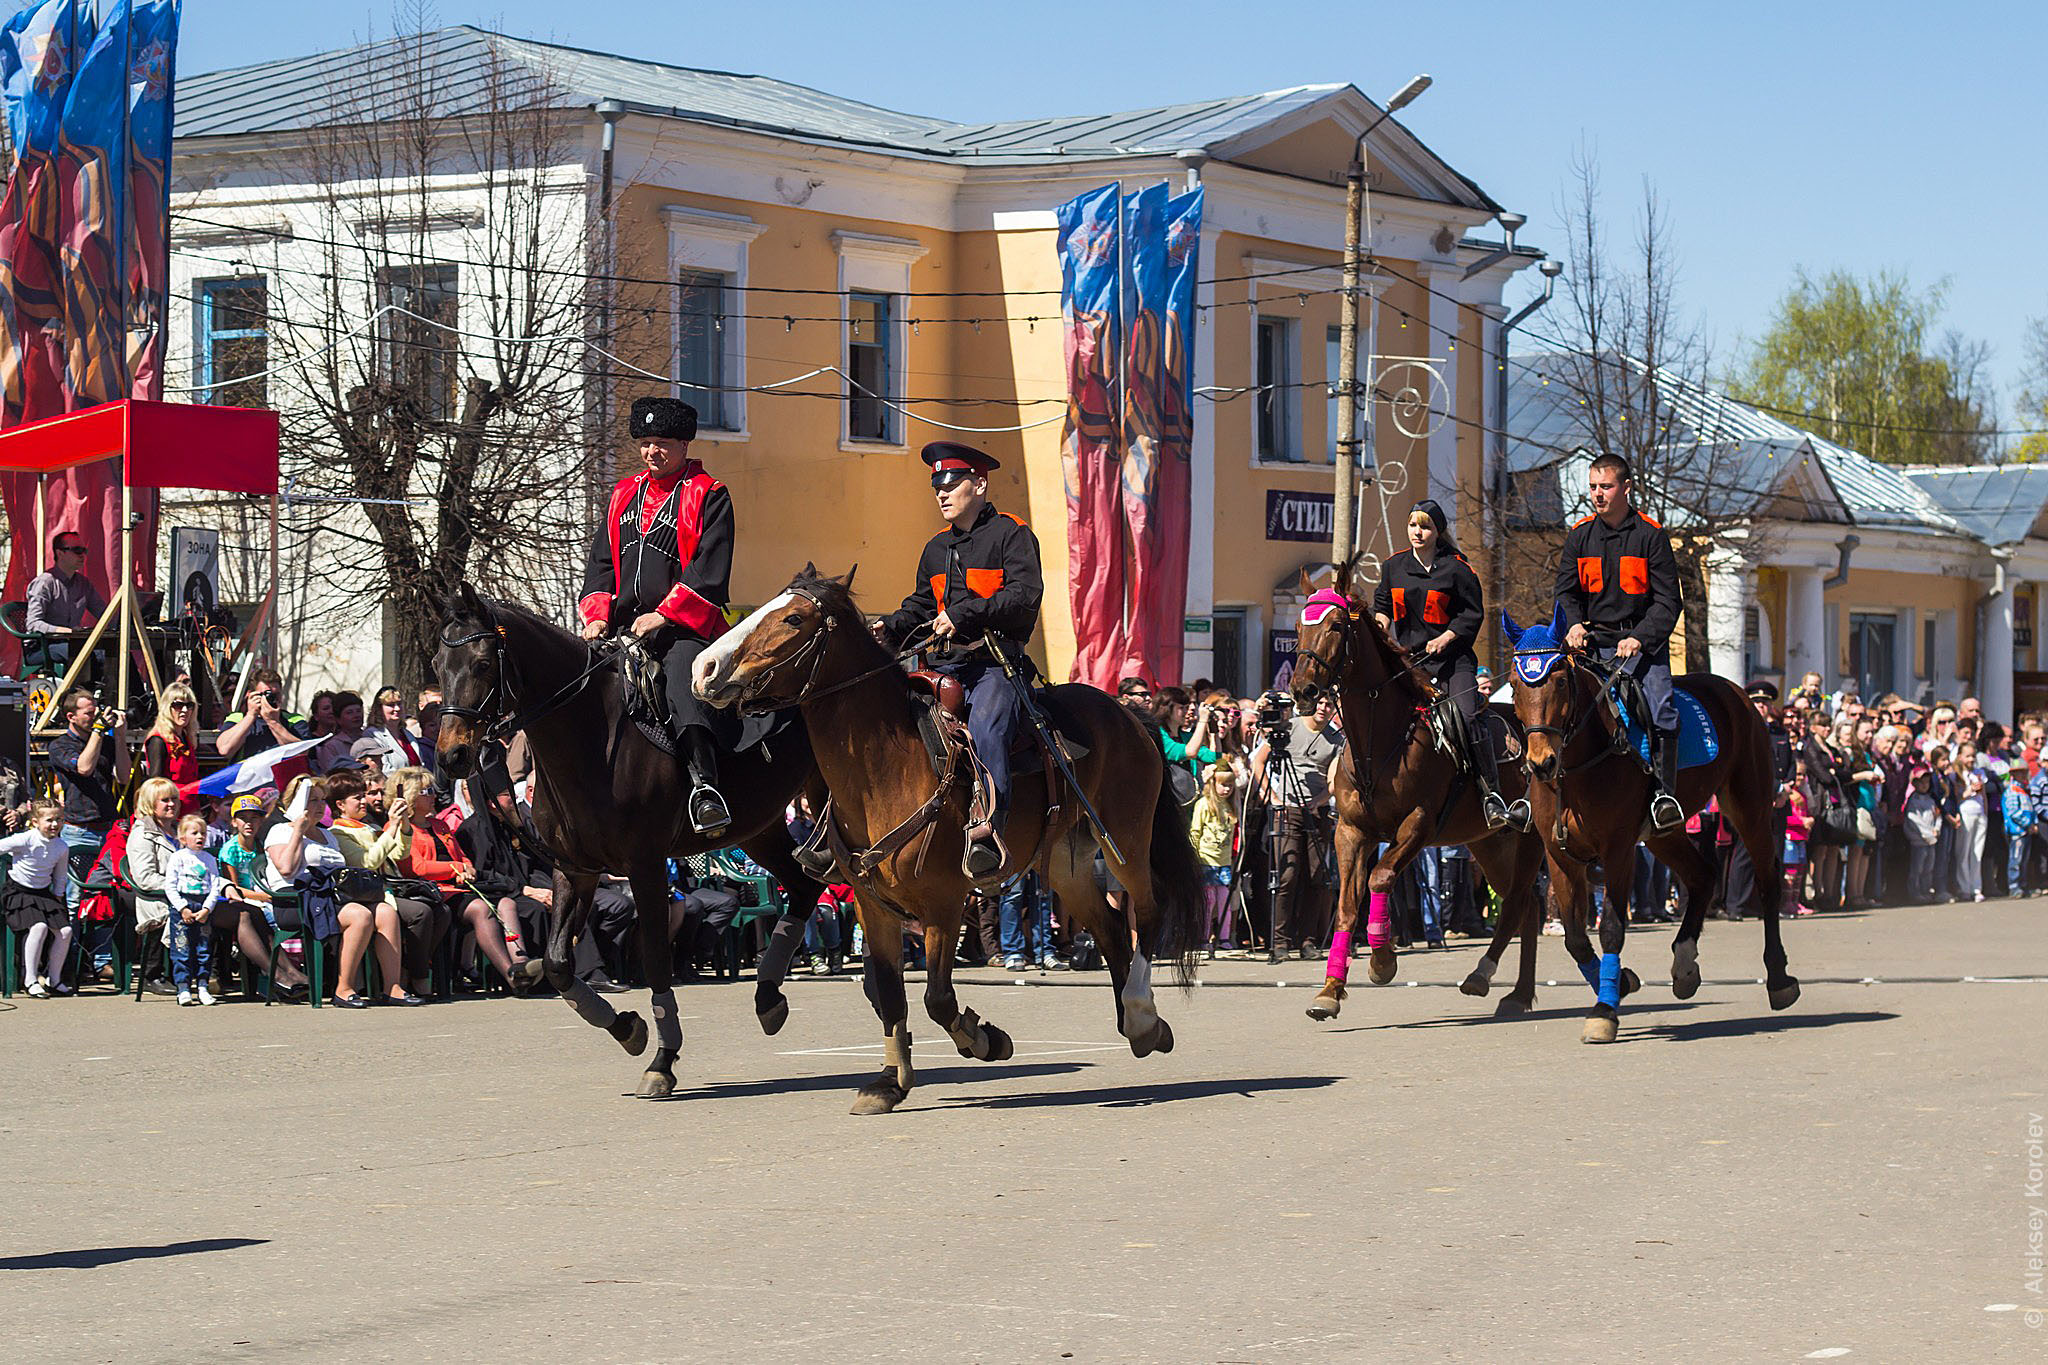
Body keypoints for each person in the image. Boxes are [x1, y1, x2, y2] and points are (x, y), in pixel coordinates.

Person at [875, 441, 1045, 878]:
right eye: (937, 487)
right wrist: (888, 626)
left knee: (987, 728)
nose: (942, 494)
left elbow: (1025, 595)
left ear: (980, 485)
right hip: (942, 667)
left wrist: (964, 613)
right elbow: (920, 606)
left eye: (951, 484)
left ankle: (989, 829)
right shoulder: (934, 547)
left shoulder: (1012, 533)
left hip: (993, 666)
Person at [578, 396, 736, 836]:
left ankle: (706, 788)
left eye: (662, 442)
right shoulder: (622, 495)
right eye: (646, 442)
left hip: (682, 629)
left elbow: (709, 570)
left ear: (684, 444)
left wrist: (664, 615)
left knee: (683, 684)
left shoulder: (709, 494)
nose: (652, 452)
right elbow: (601, 565)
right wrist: (596, 614)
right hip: (620, 627)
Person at [1543, 452, 1685, 832]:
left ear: (1626, 488)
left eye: (1605, 486)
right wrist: (1573, 624)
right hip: (1591, 646)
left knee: (1661, 711)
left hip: (1641, 646)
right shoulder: (1579, 535)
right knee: (1554, 704)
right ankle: (1541, 795)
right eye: (1592, 487)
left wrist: (1640, 637)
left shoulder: (1651, 535)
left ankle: (1663, 796)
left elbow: (1669, 602)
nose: (1597, 494)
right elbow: (1565, 593)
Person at [1371, 497, 1508, 827]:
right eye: (1412, 525)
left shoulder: (1457, 568)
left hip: (1452, 663)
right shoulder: (1393, 566)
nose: (1417, 532)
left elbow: (1472, 613)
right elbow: (1382, 606)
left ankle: (1491, 794)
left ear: (1438, 531)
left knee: (1467, 716)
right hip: (1409, 663)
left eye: (1425, 526)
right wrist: (1380, 627)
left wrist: (1446, 637)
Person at [263, 775, 395, 1008]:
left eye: (322, 800)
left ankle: (392, 988)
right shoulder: (280, 831)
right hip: (296, 902)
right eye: (312, 800)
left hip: (331, 898)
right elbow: (286, 869)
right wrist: (298, 832)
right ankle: (344, 989)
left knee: (386, 912)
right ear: (296, 802)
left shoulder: (328, 835)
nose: (320, 806)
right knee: (360, 916)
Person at [1250, 692, 1343, 960]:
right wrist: (1272, 797)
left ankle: (1308, 940)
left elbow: (1333, 780)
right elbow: (1258, 761)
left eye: (1329, 704)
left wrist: (1319, 801)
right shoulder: (1289, 726)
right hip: (1287, 809)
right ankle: (1279, 941)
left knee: (1316, 876)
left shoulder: (1337, 739)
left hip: (1316, 812)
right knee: (1286, 875)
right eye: (1320, 702)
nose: (1323, 708)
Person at [327, 768, 432, 1003]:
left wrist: (403, 823)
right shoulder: (338, 832)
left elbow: (400, 854)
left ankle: (392, 987)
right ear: (340, 805)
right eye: (357, 798)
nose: (363, 802)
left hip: (377, 895)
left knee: (387, 912)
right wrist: (392, 826)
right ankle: (349, 986)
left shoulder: (369, 828)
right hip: (354, 897)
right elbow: (367, 862)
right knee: (417, 912)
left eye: (362, 796)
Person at [46, 688, 129, 911]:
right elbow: (84, 768)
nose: (95, 717)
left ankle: (102, 936)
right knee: (76, 897)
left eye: (96, 712)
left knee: (110, 894)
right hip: (79, 831)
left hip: (109, 828)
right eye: (89, 713)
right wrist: (99, 731)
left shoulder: (105, 742)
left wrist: (120, 737)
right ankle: (73, 935)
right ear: (71, 716)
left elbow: (123, 777)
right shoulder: (60, 746)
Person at [217, 793, 307, 998]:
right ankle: (277, 975)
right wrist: (265, 897)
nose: (249, 823)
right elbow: (233, 888)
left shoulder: (261, 845)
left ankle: (291, 972)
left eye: (254, 818)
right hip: (243, 899)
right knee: (267, 916)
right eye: (243, 818)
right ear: (234, 822)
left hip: (265, 895)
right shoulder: (230, 850)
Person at [3, 798, 73, 996]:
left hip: (43, 894)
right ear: (35, 822)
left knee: (65, 931)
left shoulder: (61, 846)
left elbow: (60, 876)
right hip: (18, 892)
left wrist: (58, 895)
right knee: (39, 927)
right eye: (49, 820)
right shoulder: (25, 839)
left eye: (59, 819)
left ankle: (54, 979)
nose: (55, 824)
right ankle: (30, 979)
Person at [165, 813, 231, 1006]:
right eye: (194, 833)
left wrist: (207, 909)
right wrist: (182, 908)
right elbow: (170, 886)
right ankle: (183, 988)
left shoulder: (209, 859)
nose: (200, 837)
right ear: (183, 838)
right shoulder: (177, 858)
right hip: (183, 906)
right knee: (182, 948)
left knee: (204, 948)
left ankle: (203, 986)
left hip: (202, 906)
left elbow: (215, 886)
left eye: (202, 833)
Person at [23, 531, 106, 663]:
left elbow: (104, 613)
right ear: (60, 553)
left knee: (115, 652)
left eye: (84, 551)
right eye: (77, 550)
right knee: (83, 653)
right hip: (41, 646)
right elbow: (33, 623)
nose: (82, 555)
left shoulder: (83, 583)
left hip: (70, 642)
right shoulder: (45, 583)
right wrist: (61, 630)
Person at [1189, 763, 1241, 957]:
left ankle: (1224, 937)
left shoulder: (1230, 806)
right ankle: (1204, 937)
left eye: (1230, 785)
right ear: (1213, 783)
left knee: (1224, 900)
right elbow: (1195, 832)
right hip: (1206, 860)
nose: (1227, 789)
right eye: (1223, 784)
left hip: (1224, 862)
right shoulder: (1203, 804)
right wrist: (1195, 857)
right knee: (1208, 901)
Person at [216, 668, 307, 761]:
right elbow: (224, 750)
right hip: (249, 770)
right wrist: (251, 715)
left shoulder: (294, 719)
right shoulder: (238, 718)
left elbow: (303, 752)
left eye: (276, 694)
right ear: (250, 695)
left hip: (282, 770)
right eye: (266, 694)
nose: (272, 698)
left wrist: (273, 722)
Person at [141, 682, 203, 787]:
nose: (185, 710)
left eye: (189, 706)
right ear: (167, 707)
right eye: (178, 705)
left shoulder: (186, 737)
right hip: (170, 796)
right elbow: (156, 783)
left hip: (191, 796)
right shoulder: (158, 740)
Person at [363, 686, 427, 771]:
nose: (397, 708)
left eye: (399, 704)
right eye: (391, 705)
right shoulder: (372, 735)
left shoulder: (407, 734)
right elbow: (384, 769)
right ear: (379, 708)